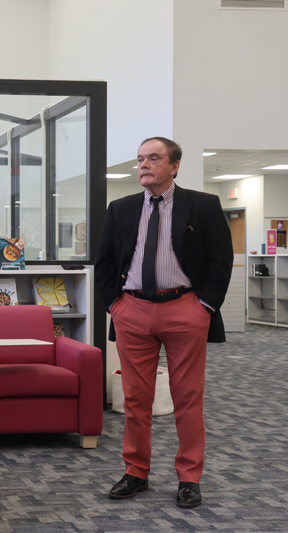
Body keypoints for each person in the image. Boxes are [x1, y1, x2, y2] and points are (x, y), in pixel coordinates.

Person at [96, 136, 233, 508]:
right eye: (140, 159)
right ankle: (136, 471)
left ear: (174, 166)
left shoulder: (203, 206)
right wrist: (115, 305)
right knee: (135, 398)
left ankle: (189, 477)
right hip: (133, 311)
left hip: (184, 309)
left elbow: (221, 262)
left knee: (188, 399)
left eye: (153, 158)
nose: (143, 165)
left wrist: (203, 306)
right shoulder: (120, 208)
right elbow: (105, 262)